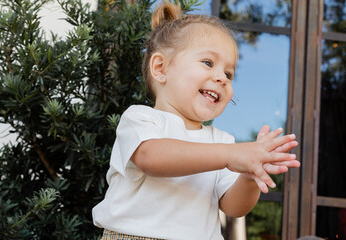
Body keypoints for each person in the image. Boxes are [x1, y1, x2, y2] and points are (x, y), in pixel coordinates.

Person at [92, 2, 300, 239]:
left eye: (229, 73)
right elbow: (152, 158)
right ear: (161, 68)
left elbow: (233, 207)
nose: (221, 77)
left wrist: (249, 175)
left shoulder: (222, 141)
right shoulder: (141, 119)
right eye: (208, 63)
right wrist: (231, 155)